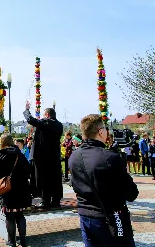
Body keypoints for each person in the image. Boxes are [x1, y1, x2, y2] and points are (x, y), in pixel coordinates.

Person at [69, 114, 138, 247]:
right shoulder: (110, 158)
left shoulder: (74, 156)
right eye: (105, 128)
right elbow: (132, 193)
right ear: (100, 132)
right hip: (110, 217)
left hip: (85, 215)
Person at [0, 134, 31, 247]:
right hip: (22, 189)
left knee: (10, 216)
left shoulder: (0, 155)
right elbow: (29, 170)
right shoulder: (20, 154)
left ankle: (12, 241)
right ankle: (23, 241)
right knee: (20, 215)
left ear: (2, 142)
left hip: (8, 190)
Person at [23, 101, 63, 209]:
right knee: (55, 179)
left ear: (47, 115)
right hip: (54, 156)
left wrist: (27, 110)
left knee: (43, 178)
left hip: (42, 157)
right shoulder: (59, 125)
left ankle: (45, 201)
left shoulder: (46, 123)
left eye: (44, 115)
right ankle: (56, 200)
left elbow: (31, 120)